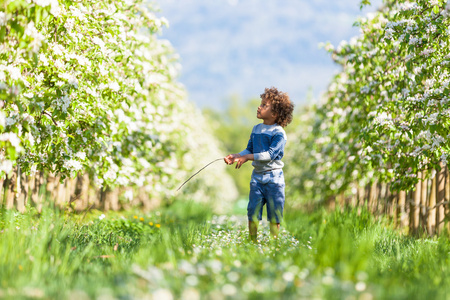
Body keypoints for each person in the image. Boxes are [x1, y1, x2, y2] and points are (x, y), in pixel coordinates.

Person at [224, 87, 294, 242]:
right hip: (257, 178)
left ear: (274, 114)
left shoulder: (279, 133)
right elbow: (250, 148)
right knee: (253, 211)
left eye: (264, 105)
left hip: (274, 180)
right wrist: (238, 155)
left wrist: (248, 157)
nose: (259, 107)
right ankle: (252, 241)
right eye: (261, 104)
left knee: (274, 214)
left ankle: (273, 243)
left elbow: (269, 155)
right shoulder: (256, 129)